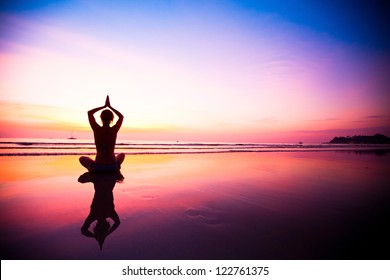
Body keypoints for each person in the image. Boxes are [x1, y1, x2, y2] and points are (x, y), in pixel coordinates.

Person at [79, 95, 125, 172]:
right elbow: (121, 116)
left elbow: (90, 113)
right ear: (112, 119)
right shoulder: (114, 130)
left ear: (100, 117)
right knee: (122, 154)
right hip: (113, 167)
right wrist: (110, 107)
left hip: (98, 167)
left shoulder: (97, 129)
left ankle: (93, 166)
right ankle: (113, 167)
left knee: (82, 158)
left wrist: (104, 106)